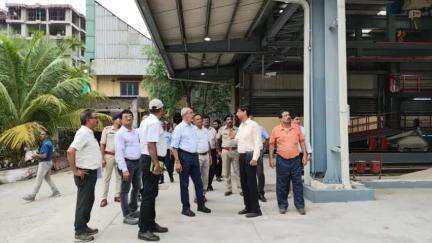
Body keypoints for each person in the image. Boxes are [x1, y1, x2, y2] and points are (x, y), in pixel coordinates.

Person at [67, 109, 101, 242]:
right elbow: (70, 152)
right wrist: (75, 171)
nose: (97, 120)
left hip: (90, 172)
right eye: (95, 117)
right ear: (87, 120)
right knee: (83, 202)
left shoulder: (88, 133)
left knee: (89, 200)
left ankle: (83, 226)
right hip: (84, 173)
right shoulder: (83, 133)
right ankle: (79, 232)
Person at [171, 107, 212, 217]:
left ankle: (201, 205)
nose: (193, 115)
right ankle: (185, 208)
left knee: (198, 182)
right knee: (184, 184)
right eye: (191, 113)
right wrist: (177, 162)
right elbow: (174, 147)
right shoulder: (179, 128)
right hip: (184, 156)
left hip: (194, 156)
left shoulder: (193, 127)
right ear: (185, 115)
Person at [138, 99, 169, 241]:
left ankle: (150, 224)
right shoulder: (154, 123)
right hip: (151, 159)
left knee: (152, 193)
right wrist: (156, 163)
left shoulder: (145, 121)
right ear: (161, 109)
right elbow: (151, 144)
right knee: (149, 195)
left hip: (149, 158)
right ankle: (143, 230)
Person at [269, 111, 308, 215]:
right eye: (285, 115)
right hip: (281, 160)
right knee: (282, 184)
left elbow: (302, 142)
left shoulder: (297, 128)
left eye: (289, 115)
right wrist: (271, 158)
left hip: (295, 160)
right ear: (280, 119)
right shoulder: (276, 130)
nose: (288, 117)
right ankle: (282, 205)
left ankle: (300, 206)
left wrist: (304, 155)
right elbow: (272, 145)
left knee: (298, 183)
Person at [235, 107, 262, 218]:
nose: (237, 114)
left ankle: (256, 210)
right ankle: (248, 207)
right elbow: (238, 139)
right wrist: (234, 137)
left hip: (250, 155)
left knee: (251, 183)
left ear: (244, 112)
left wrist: (255, 158)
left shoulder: (253, 125)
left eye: (238, 111)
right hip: (241, 155)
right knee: (244, 184)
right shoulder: (241, 125)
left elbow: (258, 142)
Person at [115, 109, 141, 225]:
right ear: (121, 120)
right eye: (126, 116)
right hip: (127, 164)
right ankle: (126, 215)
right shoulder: (120, 134)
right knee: (125, 190)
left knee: (137, 187)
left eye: (130, 116)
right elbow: (119, 153)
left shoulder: (136, 132)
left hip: (137, 163)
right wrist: (124, 169)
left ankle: (133, 209)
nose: (129, 118)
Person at [23, 129, 61, 202]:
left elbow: (44, 156)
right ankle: (56, 192)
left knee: (38, 179)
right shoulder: (48, 142)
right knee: (48, 178)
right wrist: (36, 155)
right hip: (48, 162)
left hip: (44, 163)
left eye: (43, 134)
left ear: (47, 135)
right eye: (40, 134)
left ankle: (32, 195)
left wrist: (35, 155)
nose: (41, 135)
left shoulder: (46, 144)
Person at [99, 113, 122, 207]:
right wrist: (102, 158)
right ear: (115, 120)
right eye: (119, 118)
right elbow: (102, 144)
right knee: (106, 178)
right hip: (109, 156)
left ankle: (117, 195)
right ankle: (104, 198)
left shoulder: (122, 130)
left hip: (119, 156)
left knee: (119, 177)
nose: (121, 120)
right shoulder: (107, 130)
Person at [217, 115, 241, 196]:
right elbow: (217, 140)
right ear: (225, 121)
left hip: (235, 151)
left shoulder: (237, 129)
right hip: (225, 151)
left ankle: (240, 188)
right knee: (226, 171)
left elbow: (241, 140)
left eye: (231, 119)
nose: (230, 121)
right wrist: (218, 151)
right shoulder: (221, 129)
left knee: (237, 170)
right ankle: (228, 189)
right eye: (228, 119)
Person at [193, 114, 212, 199]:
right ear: (194, 121)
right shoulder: (192, 130)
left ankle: (203, 194)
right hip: (197, 156)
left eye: (200, 119)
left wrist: (210, 155)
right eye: (197, 119)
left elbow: (208, 143)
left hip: (206, 155)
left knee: (205, 176)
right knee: (197, 177)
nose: (199, 120)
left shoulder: (205, 130)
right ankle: (197, 195)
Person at [203, 115, 218, 191]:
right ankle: (205, 185)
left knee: (212, 168)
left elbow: (216, 141)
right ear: (202, 121)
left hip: (213, 151)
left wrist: (218, 152)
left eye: (208, 120)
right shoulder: (200, 130)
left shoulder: (213, 130)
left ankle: (209, 184)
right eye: (205, 120)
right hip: (204, 152)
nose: (206, 121)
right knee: (205, 169)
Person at [257, 125, 269, 202]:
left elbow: (267, 138)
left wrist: (264, 149)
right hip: (247, 152)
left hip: (258, 152)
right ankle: (251, 193)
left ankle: (260, 193)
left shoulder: (260, 128)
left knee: (260, 173)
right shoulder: (243, 127)